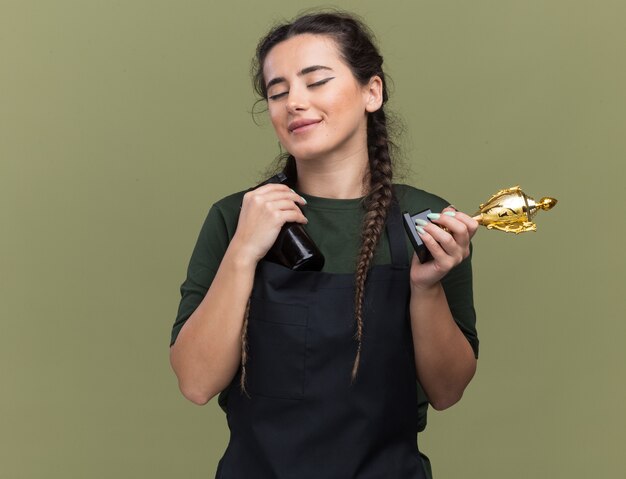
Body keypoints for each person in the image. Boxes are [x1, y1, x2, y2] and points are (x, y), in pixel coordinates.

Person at [169, 10, 479, 479]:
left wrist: (427, 287)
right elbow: (195, 382)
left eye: (316, 82)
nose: (294, 102)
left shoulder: (427, 222)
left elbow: (448, 390)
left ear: (371, 91)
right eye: (277, 92)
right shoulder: (235, 217)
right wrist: (243, 252)